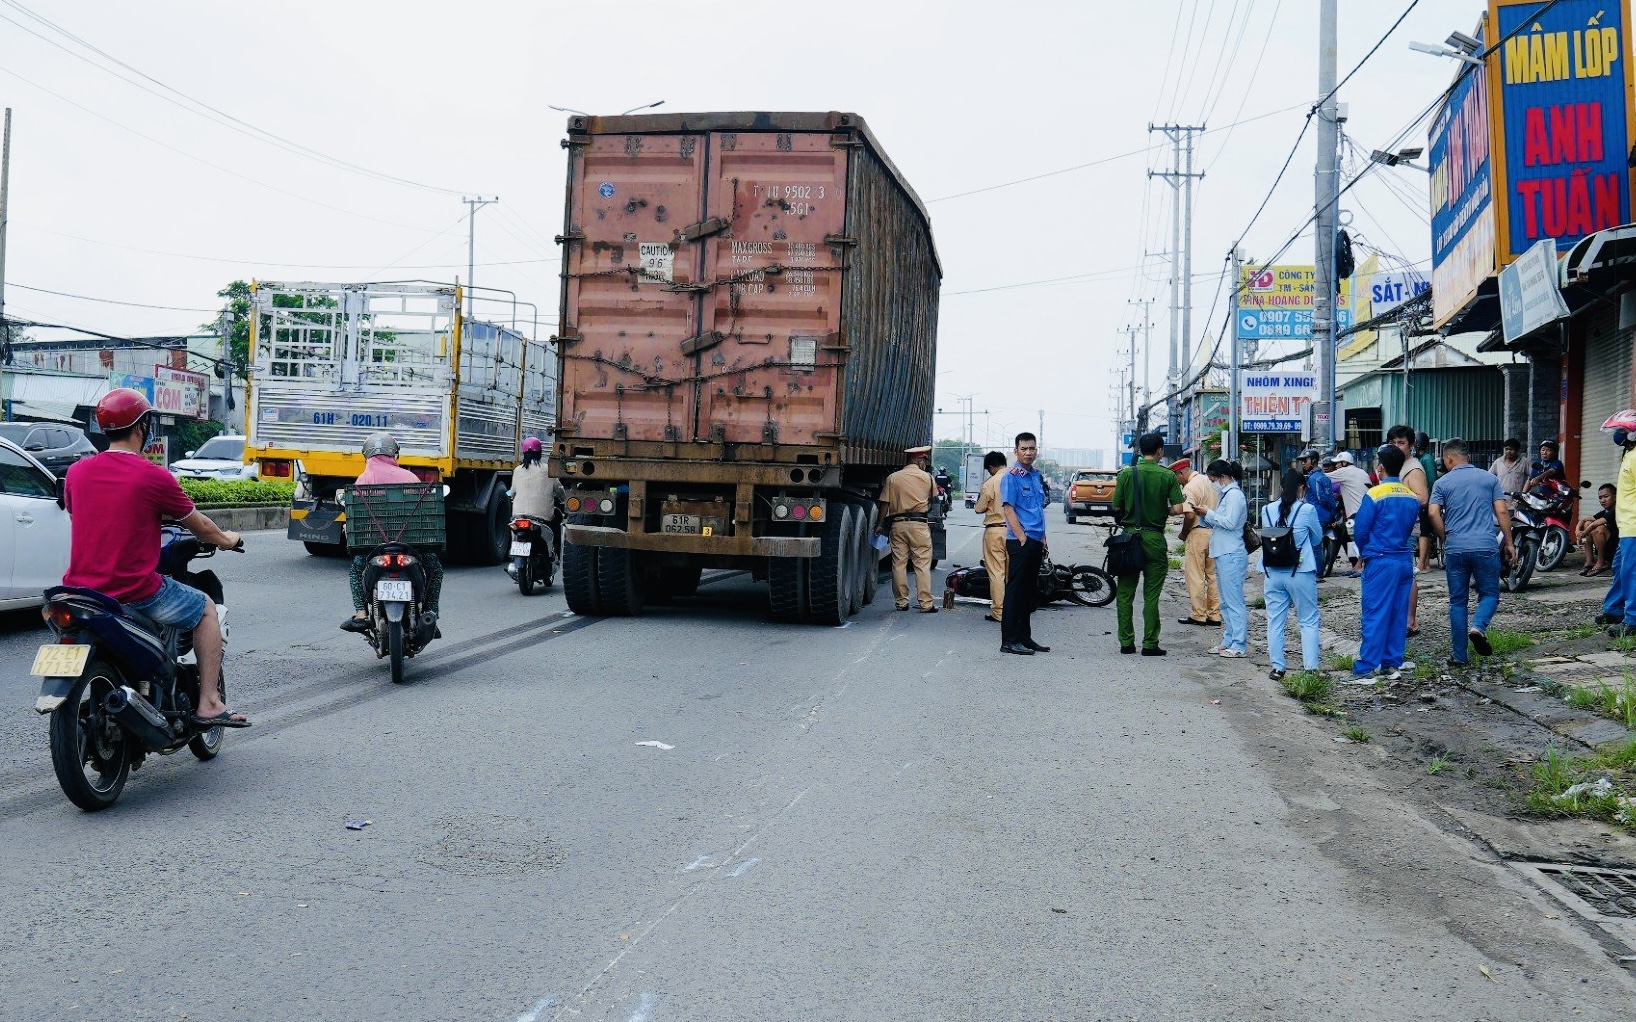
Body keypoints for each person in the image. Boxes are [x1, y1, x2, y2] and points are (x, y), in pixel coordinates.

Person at [62, 388, 248, 728]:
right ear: (141, 428)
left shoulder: (77, 472)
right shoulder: (152, 476)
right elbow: (202, 527)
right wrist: (226, 539)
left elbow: (84, 515)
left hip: (80, 592)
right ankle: (208, 701)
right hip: (135, 591)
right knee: (206, 607)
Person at [341, 433, 444, 633]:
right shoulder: (410, 477)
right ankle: (430, 612)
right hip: (411, 545)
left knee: (356, 569)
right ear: (394, 454)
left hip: (373, 545)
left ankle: (361, 613)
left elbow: (356, 517)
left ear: (367, 455)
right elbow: (424, 514)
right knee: (435, 568)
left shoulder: (363, 479)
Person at [1428, 438, 1513, 667]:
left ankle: (1459, 657)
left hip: (1456, 548)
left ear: (1448, 458)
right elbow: (1502, 512)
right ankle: (1478, 627)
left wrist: (1445, 536)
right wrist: (1509, 543)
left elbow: (1433, 513)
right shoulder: (1489, 478)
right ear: (1469, 457)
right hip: (1485, 546)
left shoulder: (1442, 482)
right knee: (1490, 595)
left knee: (1457, 602)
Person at [1112, 433, 1186, 656]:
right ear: (1160, 451)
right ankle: (1150, 644)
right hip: (1154, 539)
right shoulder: (1167, 476)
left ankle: (1126, 642)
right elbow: (1178, 509)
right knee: (1151, 595)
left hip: (1128, 539)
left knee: (1125, 593)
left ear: (1139, 451)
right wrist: (1161, 509)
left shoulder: (1126, 474)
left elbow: (1116, 508)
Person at [1352, 444, 1420, 681]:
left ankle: (1366, 667)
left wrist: (1364, 553)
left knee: (1375, 613)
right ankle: (1391, 663)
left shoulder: (1375, 494)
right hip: (1403, 560)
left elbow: (1360, 531)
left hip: (1380, 560)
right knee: (1397, 613)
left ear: (1379, 467)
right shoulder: (1412, 496)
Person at [1260, 468, 1323, 681]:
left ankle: (1277, 668)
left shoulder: (1266, 509)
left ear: (1280, 488)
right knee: (1308, 620)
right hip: (1300, 571)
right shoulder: (1307, 510)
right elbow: (1316, 539)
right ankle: (1311, 669)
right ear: (1301, 488)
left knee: (1275, 621)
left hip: (1272, 572)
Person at [999, 432, 1051, 654]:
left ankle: (1025, 637)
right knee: (1015, 592)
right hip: (1021, 541)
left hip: (1036, 540)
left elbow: (1038, 510)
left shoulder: (1036, 476)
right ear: (1016, 451)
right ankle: (1009, 641)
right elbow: (1008, 509)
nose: (1028, 453)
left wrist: (1043, 539)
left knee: (1029, 592)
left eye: (1032, 448)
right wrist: (1022, 538)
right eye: (1024, 449)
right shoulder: (1011, 476)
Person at [1194, 460, 1249, 659]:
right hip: (1224, 552)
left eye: (1213, 479)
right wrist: (1205, 514)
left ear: (1223, 477)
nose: (1212, 483)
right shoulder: (1226, 494)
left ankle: (1239, 644)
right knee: (1226, 602)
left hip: (1232, 553)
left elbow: (1229, 522)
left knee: (1234, 602)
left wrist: (1208, 513)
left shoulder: (1234, 495)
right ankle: (1229, 640)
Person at [876, 445, 939, 614]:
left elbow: (885, 503)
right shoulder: (928, 478)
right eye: (924, 460)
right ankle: (926, 603)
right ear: (918, 460)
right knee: (922, 564)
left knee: (898, 563)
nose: (925, 463)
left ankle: (901, 602)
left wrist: (879, 524)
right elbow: (934, 502)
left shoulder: (893, 478)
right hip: (919, 525)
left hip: (898, 524)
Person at [1386, 424, 1430, 636]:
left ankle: (1410, 622)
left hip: (1405, 528)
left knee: (1407, 574)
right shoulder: (1396, 464)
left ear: (1411, 446)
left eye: (1401, 443)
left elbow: (1422, 498)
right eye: (1392, 442)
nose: (1396, 446)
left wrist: (1398, 500)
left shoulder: (1413, 468)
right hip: (1393, 527)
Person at [1172, 458, 1220, 628]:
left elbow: (1190, 515)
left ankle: (1198, 614)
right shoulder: (1209, 481)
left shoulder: (1190, 487)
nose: (1177, 481)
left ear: (1181, 473)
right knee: (1213, 576)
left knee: (1195, 576)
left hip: (1198, 533)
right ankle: (1214, 615)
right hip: (1216, 533)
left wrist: (1184, 533)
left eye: (1176, 477)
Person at [1600, 411, 1636, 637]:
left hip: (1634, 526)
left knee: (1631, 572)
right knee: (1620, 569)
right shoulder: (1628, 454)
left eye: (1621, 432)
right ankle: (1614, 609)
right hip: (1625, 526)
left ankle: (1632, 620)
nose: (1617, 436)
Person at [972, 450, 1010, 623]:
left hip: (995, 530)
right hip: (1017, 532)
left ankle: (999, 612)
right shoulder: (1018, 479)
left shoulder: (991, 482)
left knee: (996, 573)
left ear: (992, 467)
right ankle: (1014, 609)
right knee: (1013, 573)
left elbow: (979, 508)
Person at [511, 435, 564, 553]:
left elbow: (512, 492)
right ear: (540, 452)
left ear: (524, 452)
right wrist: (564, 500)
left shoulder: (517, 470)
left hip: (517, 516)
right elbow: (559, 489)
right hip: (542, 518)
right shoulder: (548, 470)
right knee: (556, 522)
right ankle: (554, 552)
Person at [1325, 451, 1371, 576]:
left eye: (1338, 464)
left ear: (1345, 463)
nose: (1336, 466)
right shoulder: (1361, 471)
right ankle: (1355, 565)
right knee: (1348, 539)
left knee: (1357, 540)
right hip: (1364, 512)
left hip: (1356, 513)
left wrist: (1312, 474)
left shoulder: (1346, 471)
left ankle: (1360, 567)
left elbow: (1324, 477)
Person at [1578, 484, 1618, 577]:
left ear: (1615, 497)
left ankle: (1601, 562)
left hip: (1615, 549)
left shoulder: (1617, 511)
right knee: (1587, 523)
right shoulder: (1605, 512)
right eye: (1600, 498)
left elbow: (1595, 524)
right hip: (1607, 547)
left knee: (1598, 529)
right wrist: (1577, 532)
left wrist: (1582, 535)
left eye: (1606, 496)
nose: (1602, 500)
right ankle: (1589, 561)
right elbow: (1583, 520)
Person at [1295, 448, 1337, 530]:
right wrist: (1331, 514)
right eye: (1302, 461)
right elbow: (1331, 498)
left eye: (1305, 460)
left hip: (1317, 516)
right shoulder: (1322, 476)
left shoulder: (1313, 478)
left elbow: (1322, 499)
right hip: (1325, 515)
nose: (1303, 463)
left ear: (1313, 461)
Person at [1490, 438, 1528, 506]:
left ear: (1517, 450)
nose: (1508, 451)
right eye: (1506, 449)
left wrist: (1523, 495)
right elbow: (1489, 477)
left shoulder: (1524, 462)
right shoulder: (1498, 462)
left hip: (1517, 502)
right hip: (1500, 501)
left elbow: (1533, 479)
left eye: (1511, 449)